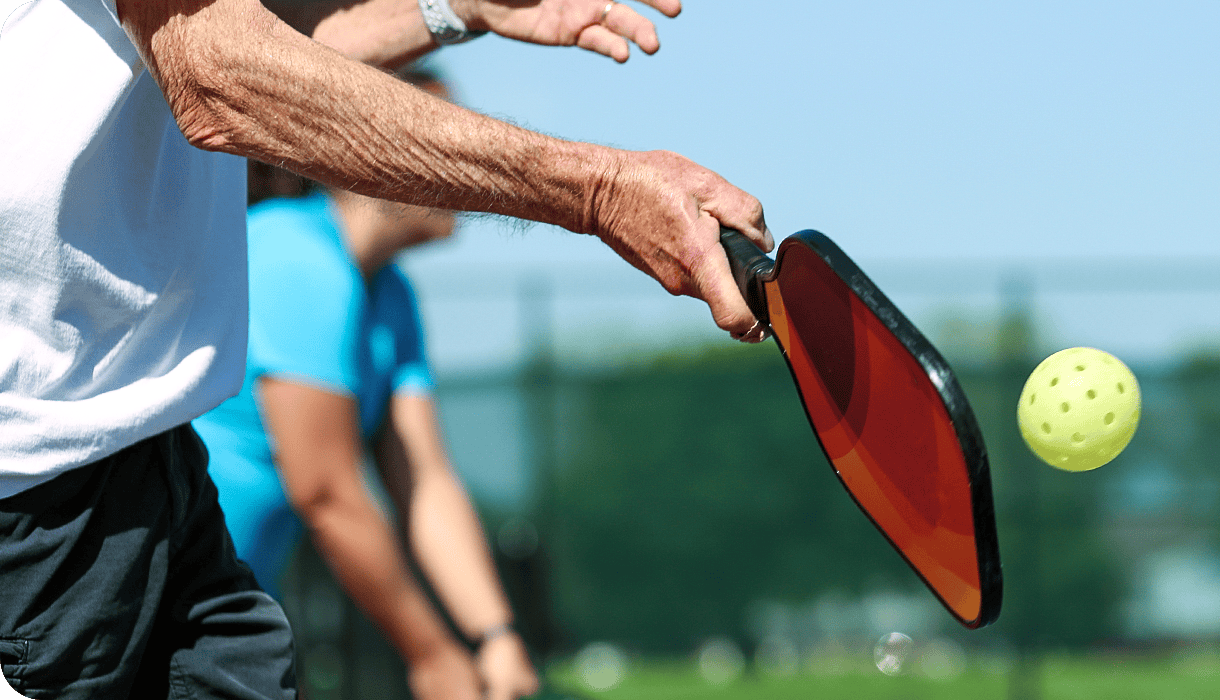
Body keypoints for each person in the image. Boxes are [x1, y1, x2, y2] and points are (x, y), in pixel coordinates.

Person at [0, 0, 769, 695]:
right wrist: (598, 189)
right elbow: (220, 69)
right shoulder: (301, 266)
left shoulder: (386, 298)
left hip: (147, 475)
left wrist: (450, 9)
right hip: (40, 491)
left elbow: (262, 45)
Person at [191, 68, 540, 700]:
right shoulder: (296, 258)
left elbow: (425, 480)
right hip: (142, 613)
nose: (473, 170)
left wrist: (495, 638)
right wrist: (433, 655)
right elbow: (326, 493)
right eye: (448, 145)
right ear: (378, 155)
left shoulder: (391, 294)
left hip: (213, 616)